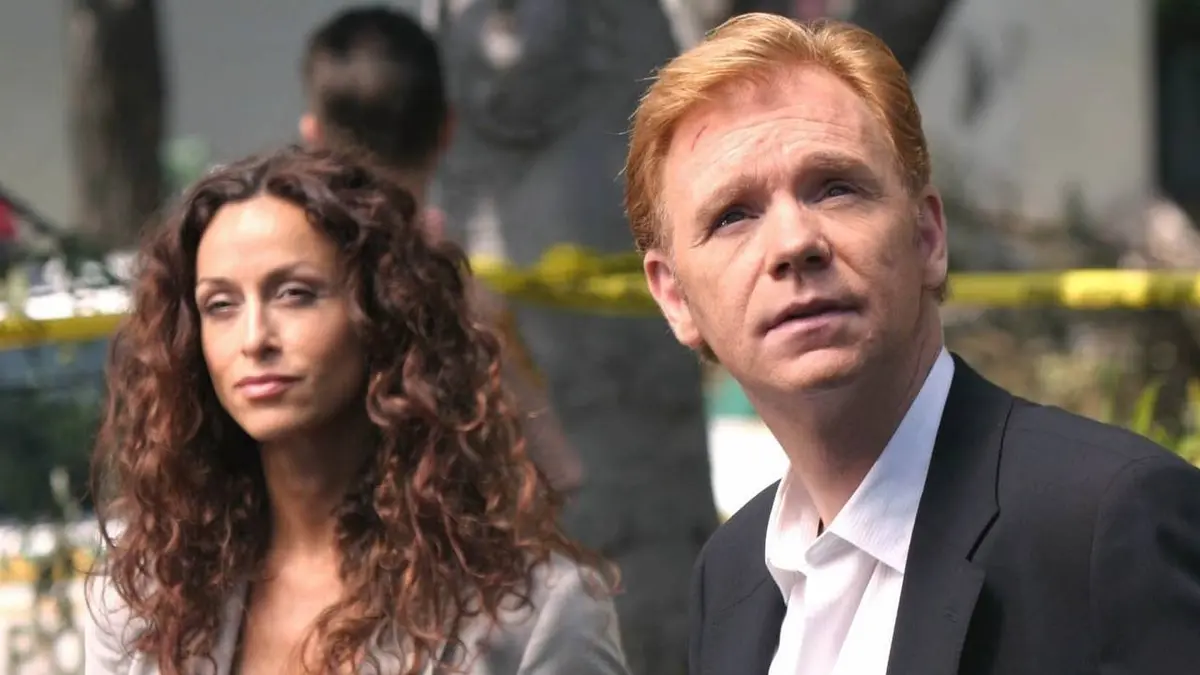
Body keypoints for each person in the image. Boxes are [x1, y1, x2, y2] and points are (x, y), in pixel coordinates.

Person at [624, 13, 1200, 675]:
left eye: (835, 188)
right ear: (674, 297)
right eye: (733, 216)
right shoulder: (730, 579)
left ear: (927, 236)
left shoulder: (1107, 520)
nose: (794, 243)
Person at [84, 145, 628, 675]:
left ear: (381, 312)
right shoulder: (143, 602)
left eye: (295, 294)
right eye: (220, 305)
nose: (254, 339)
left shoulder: (533, 615)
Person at [297, 5, 583, 495]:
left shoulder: (282, 291)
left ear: (314, 137)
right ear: (448, 128)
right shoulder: (466, 300)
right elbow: (559, 472)